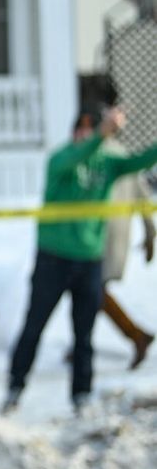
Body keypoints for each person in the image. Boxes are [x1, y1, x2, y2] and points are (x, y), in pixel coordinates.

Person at [5, 106, 157, 414]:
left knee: (84, 335)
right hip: (53, 258)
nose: (87, 136)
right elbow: (77, 156)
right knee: (34, 326)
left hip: (89, 258)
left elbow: (140, 162)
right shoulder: (61, 158)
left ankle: (81, 395)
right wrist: (101, 133)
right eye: (83, 131)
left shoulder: (108, 162)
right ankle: (15, 387)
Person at [99, 136, 155, 370]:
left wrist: (151, 233)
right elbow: (143, 198)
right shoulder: (124, 156)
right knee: (90, 291)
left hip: (99, 235)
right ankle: (82, 343)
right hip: (111, 233)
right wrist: (150, 232)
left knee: (92, 289)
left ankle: (136, 335)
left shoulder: (99, 158)